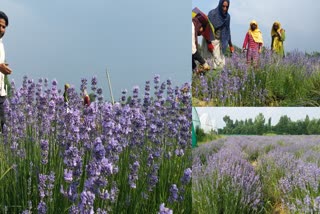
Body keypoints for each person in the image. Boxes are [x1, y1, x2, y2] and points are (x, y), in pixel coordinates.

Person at [205, 0, 234, 69]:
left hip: (222, 42)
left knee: (221, 65)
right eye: (223, 6)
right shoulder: (212, 14)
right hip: (211, 41)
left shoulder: (227, 17)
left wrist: (230, 45)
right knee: (212, 64)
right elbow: (207, 29)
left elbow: (227, 31)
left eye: (227, 7)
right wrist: (209, 43)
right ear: (220, 5)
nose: (225, 9)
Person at [0, 11, 12, 132]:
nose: (1, 29)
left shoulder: (1, 45)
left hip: (1, 93)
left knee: (5, 129)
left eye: (3, 27)